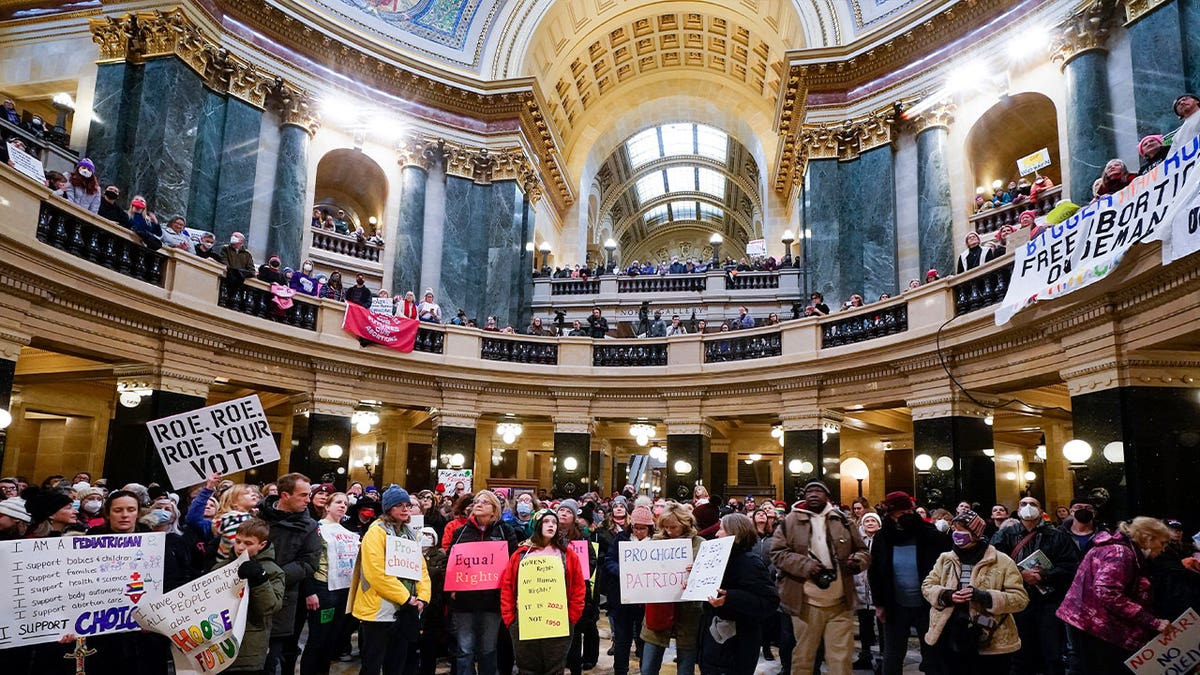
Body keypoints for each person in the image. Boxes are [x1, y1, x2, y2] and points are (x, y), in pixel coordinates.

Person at [771, 480, 871, 675]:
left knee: (841, 659)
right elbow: (777, 553)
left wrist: (858, 562)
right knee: (803, 658)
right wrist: (807, 566)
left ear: (828, 496)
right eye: (809, 491)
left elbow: (863, 551)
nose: (813, 494)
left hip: (841, 603)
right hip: (805, 603)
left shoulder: (843, 521)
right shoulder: (791, 521)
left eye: (819, 490)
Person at [1056, 517, 1175, 674]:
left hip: (1089, 622)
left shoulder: (1122, 549)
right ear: (1147, 538)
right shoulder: (1120, 553)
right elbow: (1107, 593)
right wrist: (1151, 622)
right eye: (1162, 543)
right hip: (1092, 626)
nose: (1163, 548)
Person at [922, 511, 1029, 674]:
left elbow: (1020, 599)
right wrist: (947, 595)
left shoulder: (1002, 561)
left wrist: (985, 597)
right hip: (950, 633)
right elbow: (928, 585)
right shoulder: (946, 558)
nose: (957, 534)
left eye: (963, 530)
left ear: (976, 534)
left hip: (989, 637)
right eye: (955, 529)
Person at [989, 496, 1079, 675]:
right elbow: (993, 563)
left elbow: (1071, 566)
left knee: (1052, 651)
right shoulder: (1005, 534)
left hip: (1049, 600)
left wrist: (1043, 575)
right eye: (1023, 504)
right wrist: (1021, 575)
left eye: (1033, 504)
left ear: (1041, 510)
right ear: (1018, 509)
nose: (1028, 507)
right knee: (1020, 652)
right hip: (1017, 600)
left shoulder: (1057, 535)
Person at [349, 485, 431, 675]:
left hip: (405, 608)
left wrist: (423, 597)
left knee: (397, 664)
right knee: (372, 664)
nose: (405, 509)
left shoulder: (410, 533)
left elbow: (421, 569)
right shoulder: (376, 532)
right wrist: (405, 597)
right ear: (388, 508)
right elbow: (376, 572)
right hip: (378, 610)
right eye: (399, 505)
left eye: (407, 505)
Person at [867, 490, 950, 675]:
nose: (906, 516)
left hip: (927, 605)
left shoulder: (929, 534)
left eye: (908, 512)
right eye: (900, 514)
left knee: (932, 654)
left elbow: (946, 565)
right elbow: (875, 572)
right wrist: (879, 604)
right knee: (893, 655)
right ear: (890, 515)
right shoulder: (882, 537)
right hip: (894, 604)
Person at [499, 509, 587, 675]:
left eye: (554, 522)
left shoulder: (568, 555)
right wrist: (510, 619)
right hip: (524, 621)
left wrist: (572, 616)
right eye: (546, 522)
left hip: (559, 621)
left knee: (555, 669)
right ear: (537, 525)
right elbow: (508, 586)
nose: (551, 525)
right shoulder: (521, 554)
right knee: (527, 669)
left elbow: (578, 587)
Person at [445, 490, 518, 675]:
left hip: (492, 601)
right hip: (464, 600)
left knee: (487, 649)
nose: (478, 504)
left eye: (484, 502)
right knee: (464, 649)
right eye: (477, 501)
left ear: (494, 510)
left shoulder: (505, 531)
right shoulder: (460, 532)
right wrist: (452, 587)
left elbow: (514, 564)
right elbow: (451, 562)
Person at [696, 513, 780, 675]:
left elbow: (769, 602)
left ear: (735, 533)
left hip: (738, 644)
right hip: (713, 639)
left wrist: (731, 598)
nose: (716, 534)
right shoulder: (715, 559)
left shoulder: (750, 562)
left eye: (721, 529)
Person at [258, 472, 323, 675]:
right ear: (285, 495)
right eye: (303, 495)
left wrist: (271, 575)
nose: (308, 500)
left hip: (284, 599)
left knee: (274, 659)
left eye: (308, 495)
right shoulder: (257, 517)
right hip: (250, 595)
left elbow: (309, 563)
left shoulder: (309, 526)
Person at [213, 518, 287, 673]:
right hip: (218, 643)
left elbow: (269, 607)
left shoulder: (273, 571)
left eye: (248, 543)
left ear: (262, 545)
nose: (240, 547)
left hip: (250, 646)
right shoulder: (220, 568)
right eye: (238, 541)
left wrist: (260, 579)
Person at [640, 502, 705, 675]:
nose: (669, 531)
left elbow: (708, 576)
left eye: (673, 527)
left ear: (685, 524)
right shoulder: (655, 542)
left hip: (688, 609)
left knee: (685, 665)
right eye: (666, 527)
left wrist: (696, 572)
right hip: (659, 608)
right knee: (648, 667)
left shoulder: (700, 544)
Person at [300, 491, 358, 675]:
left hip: (343, 589)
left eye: (345, 503)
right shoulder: (317, 528)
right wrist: (309, 591)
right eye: (338, 502)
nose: (342, 505)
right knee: (318, 637)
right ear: (327, 506)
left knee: (333, 637)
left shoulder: (349, 533)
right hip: (323, 588)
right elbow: (308, 561)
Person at [605, 504, 653, 675]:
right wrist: (622, 571)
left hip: (645, 600)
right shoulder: (620, 539)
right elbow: (609, 560)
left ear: (650, 527)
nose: (638, 531)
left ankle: (644, 670)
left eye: (642, 528)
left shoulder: (656, 543)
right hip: (622, 598)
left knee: (643, 640)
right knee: (622, 639)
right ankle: (620, 670)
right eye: (635, 527)